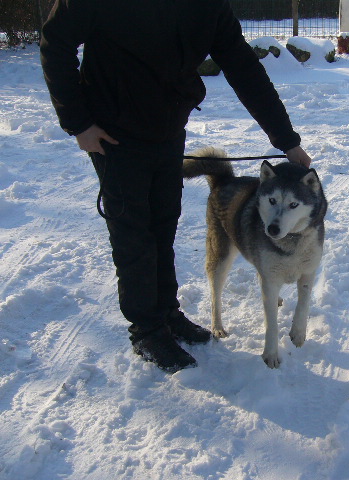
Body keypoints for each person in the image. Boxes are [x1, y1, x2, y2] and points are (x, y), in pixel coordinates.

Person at [40, 0, 312, 373]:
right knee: (134, 231)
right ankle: (147, 330)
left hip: (167, 128)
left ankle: (166, 312)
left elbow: (243, 67)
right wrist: (78, 122)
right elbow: (55, 41)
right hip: (111, 132)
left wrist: (286, 139)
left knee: (163, 222)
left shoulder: (208, 7)